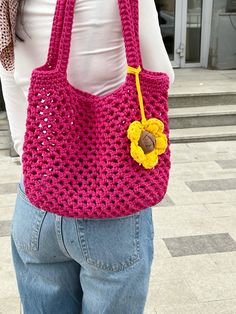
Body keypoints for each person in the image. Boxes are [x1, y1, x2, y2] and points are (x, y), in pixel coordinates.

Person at [0, 0, 175, 313]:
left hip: (38, 197)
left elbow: (9, 73)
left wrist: (32, 150)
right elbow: (161, 75)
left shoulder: (8, 5)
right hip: (115, 198)